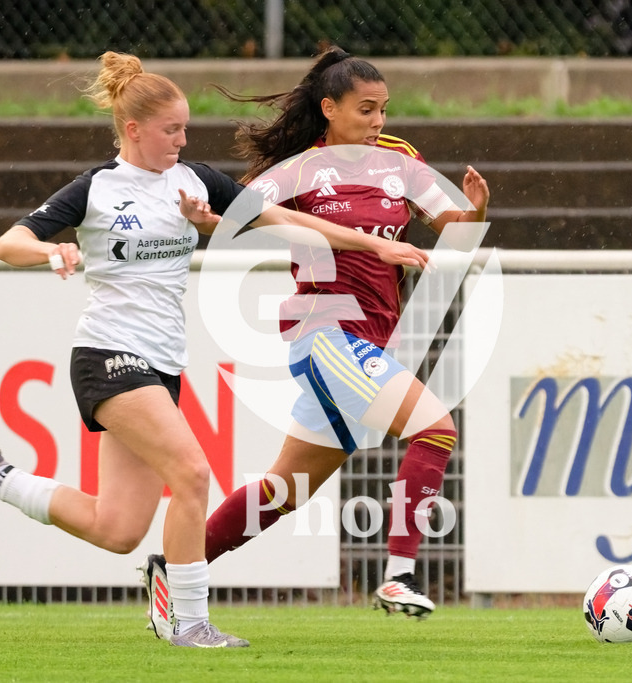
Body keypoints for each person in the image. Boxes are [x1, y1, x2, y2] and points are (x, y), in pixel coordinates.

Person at [0, 50, 430, 649]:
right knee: (192, 474)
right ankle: (188, 621)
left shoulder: (196, 181)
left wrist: (374, 246)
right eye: (171, 130)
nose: (182, 140)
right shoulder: (96, 188)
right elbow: (8, 243)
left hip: (161, 364)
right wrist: (50, 250)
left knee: (116, 529)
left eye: (186, 128)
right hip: (108, 354)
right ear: (133, 129)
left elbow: (287, 222)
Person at [142, 45, 490, 628]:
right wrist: (204, 219)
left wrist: (474, 211)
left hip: (370, 341)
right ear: (330, 109)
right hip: (326, 335)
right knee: (436, 428)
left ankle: (172, 567)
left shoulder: (401, 159)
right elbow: (239, 217)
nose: (378, 121)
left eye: (383, 109)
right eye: (366, 109)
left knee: (284, 491)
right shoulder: (298, 170)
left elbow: (454, 232)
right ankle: (399, 576)